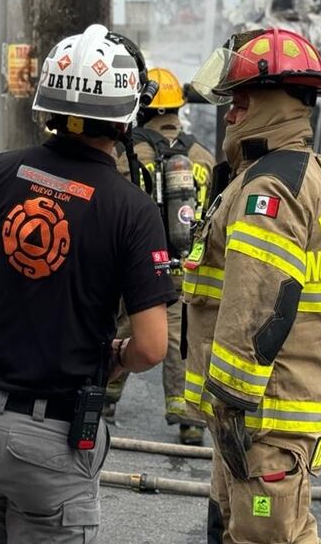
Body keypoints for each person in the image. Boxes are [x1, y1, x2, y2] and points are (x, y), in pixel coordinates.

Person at [0, 23, 174, 543]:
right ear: (127, 116)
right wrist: (114, 355)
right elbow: (151, 346)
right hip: (51, 443)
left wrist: (3, 310)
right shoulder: (131, 209)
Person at [183, 27, 321, 544]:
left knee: (264, 537)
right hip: (269, 411)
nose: (230, 115)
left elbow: (255, 305)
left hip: (262, 416)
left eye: (239, 102)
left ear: (268, 105)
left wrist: (230, 404)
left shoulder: (269, 190)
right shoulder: (299, 172)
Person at [104, 66, 215, 446]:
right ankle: (189, 423)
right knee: (181, 339)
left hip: (136, 263)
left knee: (123, 328)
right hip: (186, 264)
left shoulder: (125, 152)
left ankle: (102, 402)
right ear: (178, 110)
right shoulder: (202, 155)